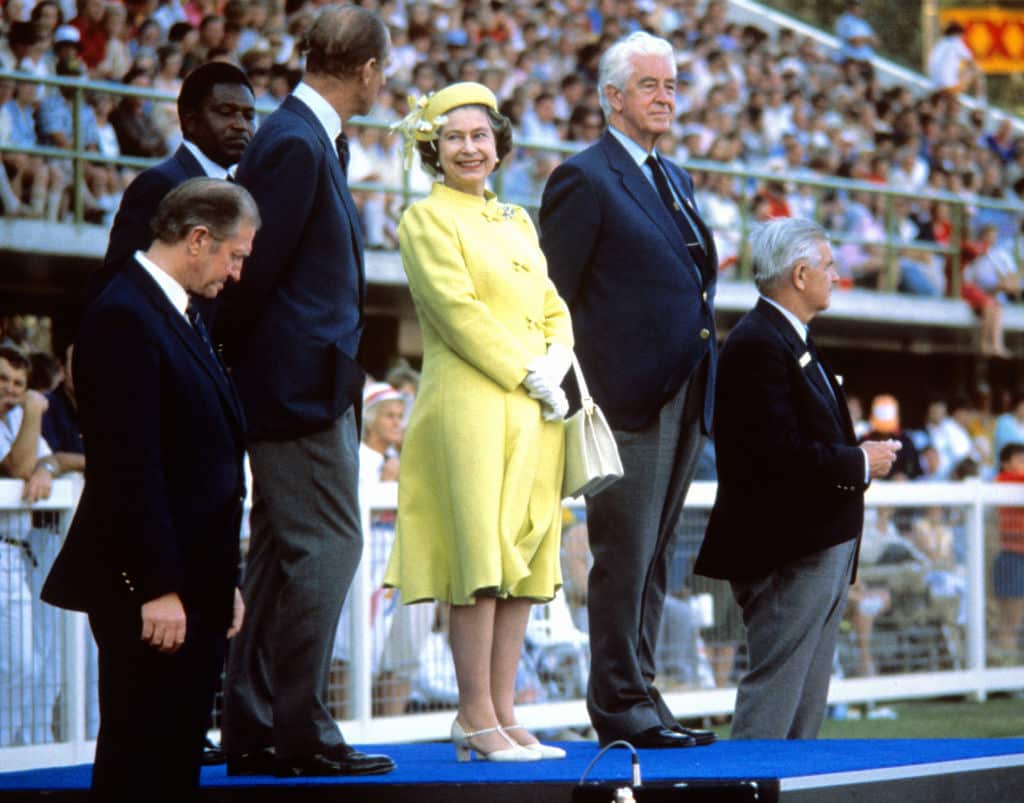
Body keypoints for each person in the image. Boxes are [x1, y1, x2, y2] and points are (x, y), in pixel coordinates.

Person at [214, 5, 396, 779]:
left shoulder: (303, 135)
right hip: (294, 389)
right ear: (367, 71)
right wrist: (247, 367)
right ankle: (301, 727)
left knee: (287, 556)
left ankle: (256, 723)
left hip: (298, 382)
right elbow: (250, 271)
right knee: (332, 543)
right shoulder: (294, 141)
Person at [40, 178, 258, 801]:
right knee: (139, 763)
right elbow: (129, 467)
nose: (237, 273)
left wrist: (224, 581)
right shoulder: (123, 315)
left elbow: (201, 454)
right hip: (153, 596)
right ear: (197, 239)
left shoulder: (175, 313)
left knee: (170, 762)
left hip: (193, 588)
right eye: (235, 255)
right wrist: (157, 587)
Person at [383, 81, 572, 763]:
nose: (470, 147)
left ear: (498, 144)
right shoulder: (424, 220)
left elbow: (552, 304)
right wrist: (531, 370)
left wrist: (557, 358)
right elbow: (457, 313)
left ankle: (504, 712)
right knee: (480, 559)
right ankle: (474, 715)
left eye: (481, 135)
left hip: (535, 408)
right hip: (469, 405)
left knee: (523, 560)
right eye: (455, 137)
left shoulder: (517, 220)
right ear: (433, 147)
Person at [538, 31, 718, 749]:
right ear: (613, 98)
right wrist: (584, 391)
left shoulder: (675, 176)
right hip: (621, 401)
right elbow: (556, 295)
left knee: (655, 556)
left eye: (672, 85)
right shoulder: (584, 177)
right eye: (650, 86)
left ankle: (643, 692)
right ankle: (618, 702)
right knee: (623, 553)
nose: (666, 97)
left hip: (683, 392)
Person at [694, 217, 900, 739]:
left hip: (815, 545)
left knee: (804, 701)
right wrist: (858, 461)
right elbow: (775, 454)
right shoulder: (759, 343)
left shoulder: (783, 337)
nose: (837, 275)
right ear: (801, 274)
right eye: (829, 266)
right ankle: (747, 792)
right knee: (776, 696)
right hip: (787, 552)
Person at [91, 61, 256, 313]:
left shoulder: (242, 195)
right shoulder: (159, 185)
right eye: (226, 111)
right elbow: (118, 282)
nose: (240, 125)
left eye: (248, 116)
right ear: (190, 121)